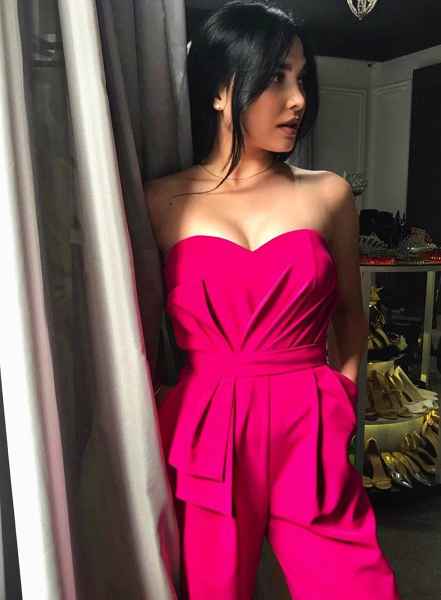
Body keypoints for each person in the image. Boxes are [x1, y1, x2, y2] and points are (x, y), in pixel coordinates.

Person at [144, 1, 401, 598]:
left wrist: (341, 395)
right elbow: (134, 323)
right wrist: (162, 403)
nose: (298, 100)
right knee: (213, 589)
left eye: (301, 78)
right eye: (276, 78)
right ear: (219, 90)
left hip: (308, 419)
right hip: (207, 425)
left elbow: (349, 311)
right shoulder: (160, 200)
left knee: (356, 586)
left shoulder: (328, 194)